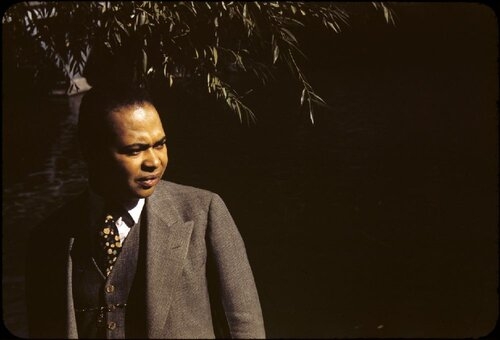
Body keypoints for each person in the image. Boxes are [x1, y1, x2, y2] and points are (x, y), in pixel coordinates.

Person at [25, 84, 265, 339]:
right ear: (90, 150)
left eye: (160, 144)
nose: (154, 162)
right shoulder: (48, 239)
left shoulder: (203, 213)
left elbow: (244, 326)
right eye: (135, 150)